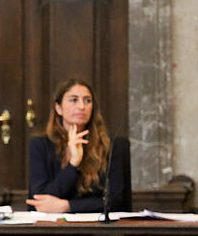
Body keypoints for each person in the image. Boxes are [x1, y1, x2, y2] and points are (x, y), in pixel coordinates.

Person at [27, 78, 129, 213]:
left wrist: (67, 206)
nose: (82, 106)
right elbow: (40, 200)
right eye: (73, 100)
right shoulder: (40, 144)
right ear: (58, 108)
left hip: (97, 229)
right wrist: (73, 165)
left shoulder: (112, 145)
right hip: (52, 228)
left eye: (87, 100)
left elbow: (115, 201)